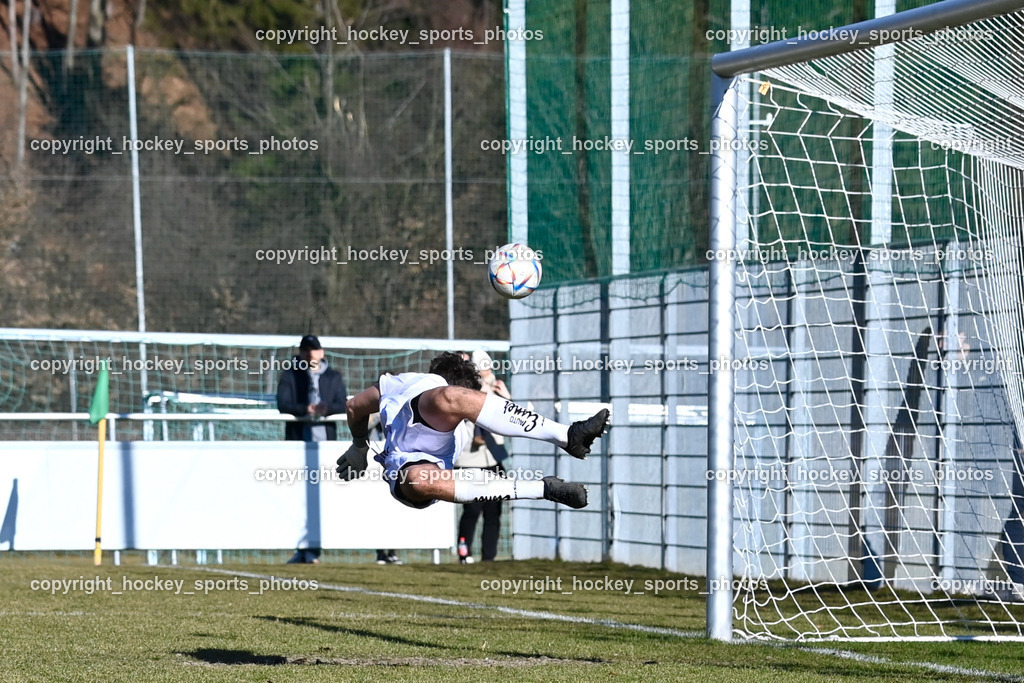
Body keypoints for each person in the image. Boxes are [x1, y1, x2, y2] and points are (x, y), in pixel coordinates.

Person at [335, 352, 608, 512]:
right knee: (443, 397)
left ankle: (550, 478)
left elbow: (354, 408)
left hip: (421, 471)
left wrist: (360, 444)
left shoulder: (457, 419)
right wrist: (359, 446)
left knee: (421, 479)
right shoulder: (408, 383)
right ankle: (558, 459)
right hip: (401, 465)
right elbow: (354, 406)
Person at [277, 335, 347, 563]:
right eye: (306, 350)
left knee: (326, 494)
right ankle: (303, 548)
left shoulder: (334, 377)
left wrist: (326, 409)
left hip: (325, 444)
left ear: (322, 352)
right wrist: (303, 409)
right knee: (297, 494)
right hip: (298, 441)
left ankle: (319, 546)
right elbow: (282, 404)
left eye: (314, 349)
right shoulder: (290, 374)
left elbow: (342, 403)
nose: (310, 354)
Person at [455, 351, 511, 563]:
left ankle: (489, 557)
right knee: (472, 509)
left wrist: (505, 396)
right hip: (471, 460)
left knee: (493, 510)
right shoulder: (464, 387)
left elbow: (506, 415)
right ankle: (464, 552)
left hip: (492, 458)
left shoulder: (494, 386)